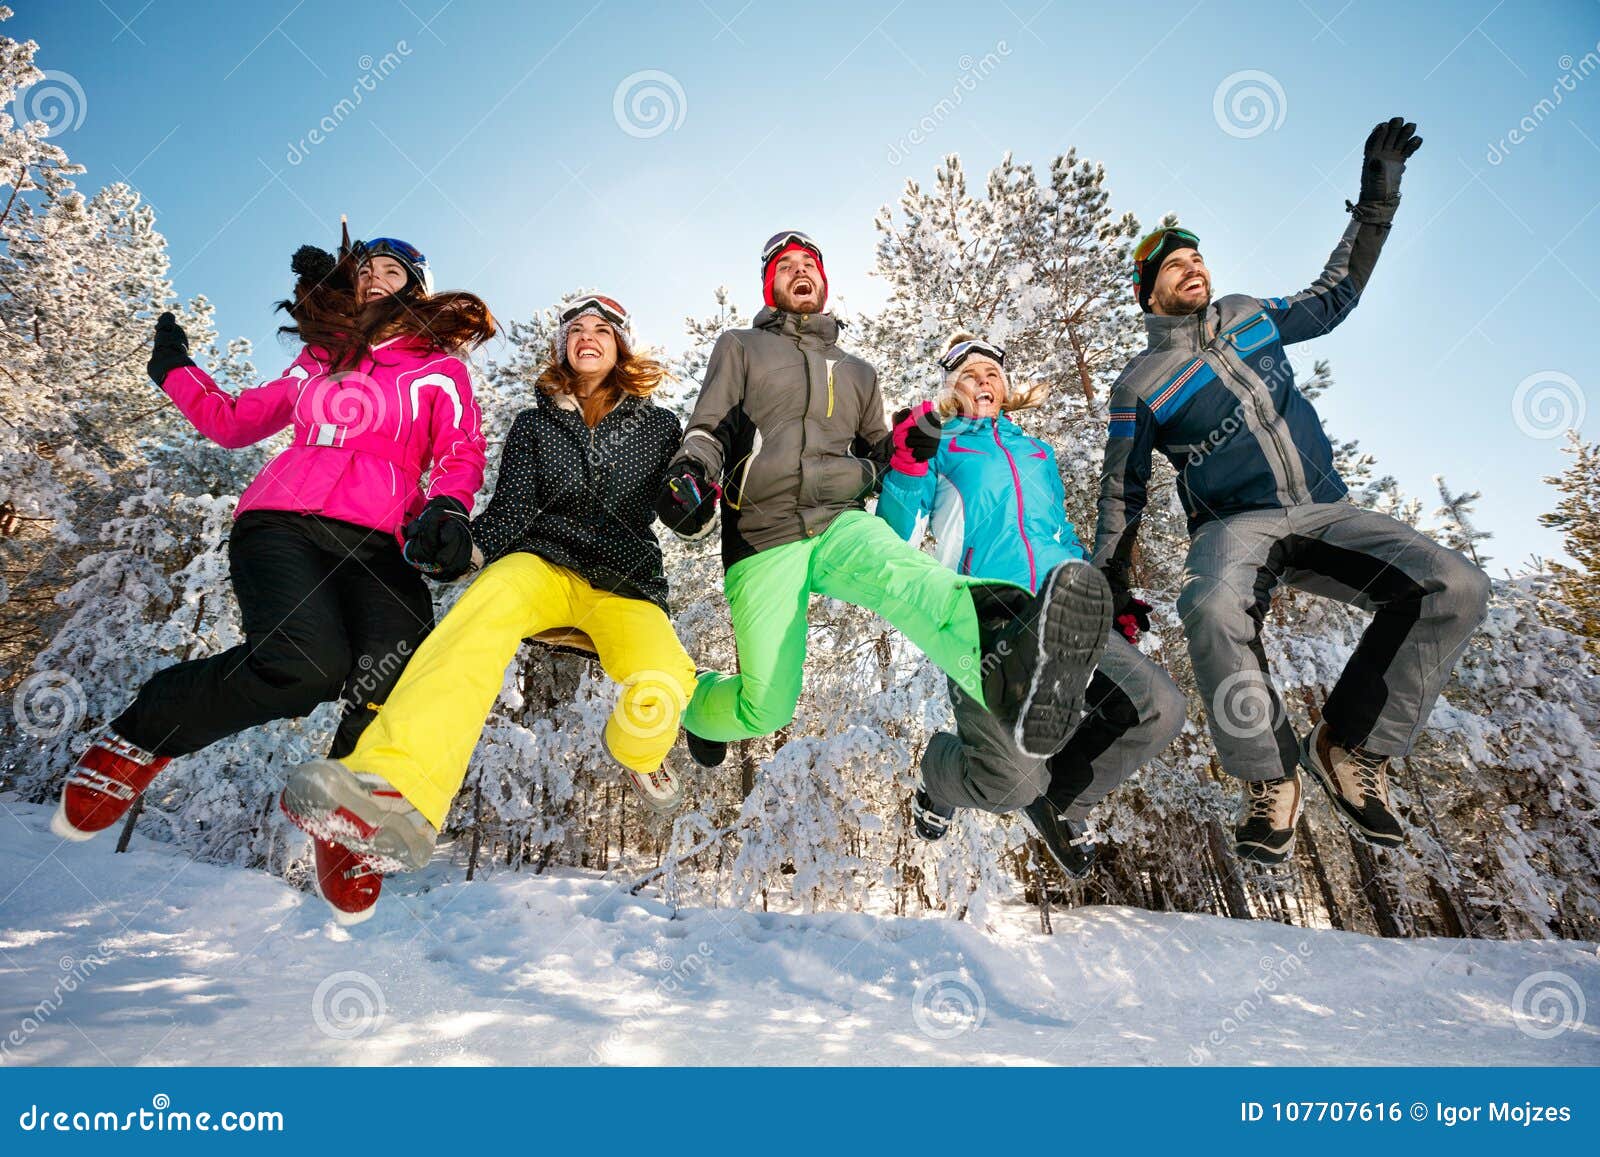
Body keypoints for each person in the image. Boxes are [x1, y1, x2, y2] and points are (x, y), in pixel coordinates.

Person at [54, 234, 493, 915]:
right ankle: (143, 733)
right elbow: (233, 422)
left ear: (416, 288)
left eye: (392, 270)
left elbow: (460, 450)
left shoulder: (438, 370)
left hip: (382, 541)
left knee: (400, 667)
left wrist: (448, 509)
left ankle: (348, 819)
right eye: (366, 268)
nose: (375, 278)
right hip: (285, 521)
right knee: (304, 667)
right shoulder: (323, 357)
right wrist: (175, 367)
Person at [1093, 118, 1490, 864]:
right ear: (1149, 289)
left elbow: (1335, 295)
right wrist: (1111, 579)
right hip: (1235, 525)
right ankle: (1271, 777)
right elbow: (1124, 490)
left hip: (1324, 508)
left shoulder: (1251, 317)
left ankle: (1347, 745)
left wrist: (1378, 200)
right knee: (1210, 604)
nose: (1194, 266)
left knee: (1458, 586)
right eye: (1175, 263)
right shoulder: (1139, 385)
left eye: (1197, 255)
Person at [279, 294, 697, 923]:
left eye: (601, 330)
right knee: (476, 615)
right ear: (562, 348)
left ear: (621, 346)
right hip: (543, 565)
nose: (587, 337)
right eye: (574, 330)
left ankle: (639, 755)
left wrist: (692, 497)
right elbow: (511, 513)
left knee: (668, 676)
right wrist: (465, 548)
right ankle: (392, 786)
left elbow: (684, 501)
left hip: (625, 582)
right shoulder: (535, 426)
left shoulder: (659, 425)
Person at [655, 230, 1112, 775]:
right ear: (769, 285)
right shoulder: (740, 346)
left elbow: (886, 460)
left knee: (916, 580)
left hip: (839, 525)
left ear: (824, 284)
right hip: (762, 533)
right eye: (786, 267)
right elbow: (710, 427)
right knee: (766, 706)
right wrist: (691, 473)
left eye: (809, 266)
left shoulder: (858, 372)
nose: (800, 272)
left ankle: (1012, 669)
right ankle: (694, 705)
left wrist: (911, 444)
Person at [879, 333, 1186, 876]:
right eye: (969, 374)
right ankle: (940, 775)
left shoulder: (1035, 451)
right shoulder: (942, 443)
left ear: (1006, 386)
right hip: (984, 616)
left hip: (1062, 607)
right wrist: (906, 463)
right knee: (1009, 785)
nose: (983, 381)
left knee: (1158, 706)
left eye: (992, 373)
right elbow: (894, 538)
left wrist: (1105, 594)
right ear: (950, 387)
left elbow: (1057, 533)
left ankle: (1063, 801)